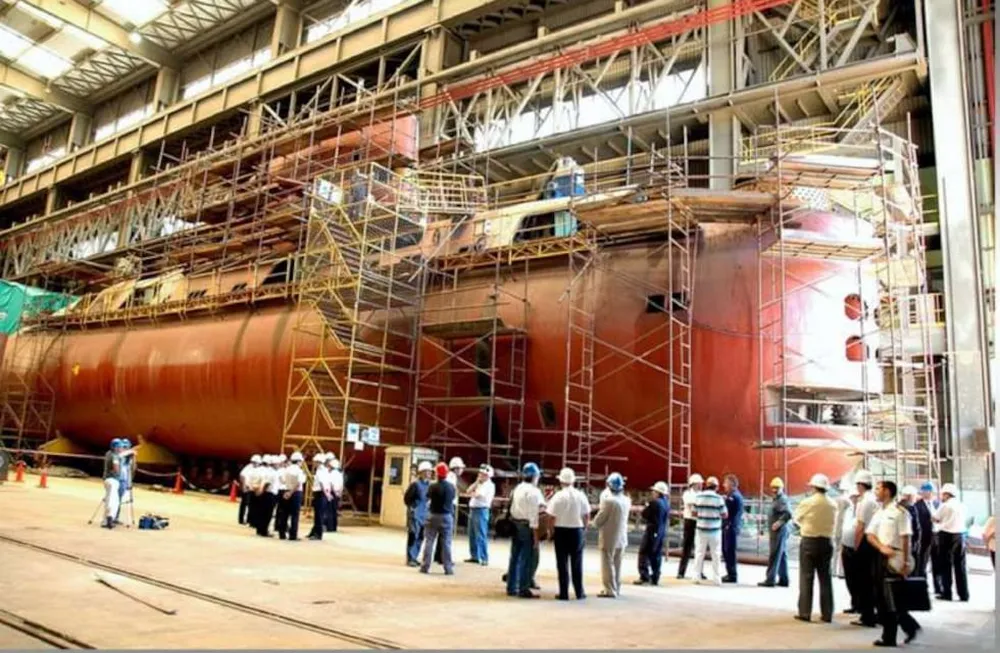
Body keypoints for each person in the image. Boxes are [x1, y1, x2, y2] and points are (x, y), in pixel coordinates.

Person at [867, 480, 921, 647]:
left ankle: (889, 637)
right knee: (882, 598)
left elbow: (906, 537)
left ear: (887, 491)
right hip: (881, 556)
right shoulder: (879, 512)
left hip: (896, 557)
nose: (875, 491)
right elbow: (870, 535)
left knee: (891, 598)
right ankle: (909, 626)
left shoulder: (900, 513)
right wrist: (881, 547)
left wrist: (905, 562)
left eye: (878, 488)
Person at [793, 473, 837, 623]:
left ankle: (805, 612)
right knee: (825, 579)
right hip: (827, 542)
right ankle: (827, 613)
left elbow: (796, 519)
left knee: (806, 577)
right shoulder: (833, 504)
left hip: (809, 541)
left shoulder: (808, 502)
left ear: (813, 487)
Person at [545, 467, 590, 600]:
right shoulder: (581, 495)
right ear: (573, 481)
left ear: (561, 481)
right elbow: (586, 515)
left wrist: (550, 532)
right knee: (577, 563)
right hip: (577, 531)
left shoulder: (558, 496)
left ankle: (564, 593)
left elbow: (551, 517)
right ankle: (579, 592)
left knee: (562, 563)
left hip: (561, 531)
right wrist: (584, 529)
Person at [506, 462, 545, 598]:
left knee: (515, 557)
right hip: (526, 526)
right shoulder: (534, 492)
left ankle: (511, 587)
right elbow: (534, 515)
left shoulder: (518, 488)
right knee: (527, 558)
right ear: (534, 476)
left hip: (515, 523)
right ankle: (523, 588)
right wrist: (536, 536)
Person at [594, 472, 631, 598]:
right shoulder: (627, 500)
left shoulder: (609, 501)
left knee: (607, 563)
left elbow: (600, 519)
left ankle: (609, 589)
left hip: (609, 537)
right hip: (622, 537)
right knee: (617, 563)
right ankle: (616, 587)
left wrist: (594, 523)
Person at [850, 470, 880, 628]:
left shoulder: (865, 502)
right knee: (871, 580)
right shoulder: (873, 500)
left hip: (865, 543)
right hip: (873, 542)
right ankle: (874, 613)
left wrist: (856, 546)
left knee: (863, 581)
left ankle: (867, 615)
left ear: (860, 485)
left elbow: (860, 527)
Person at [933, 483, 968, 601]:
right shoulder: (961, 505)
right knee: (960, 566)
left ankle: (947, 593)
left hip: (945, 536)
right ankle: (964, 594)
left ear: (947, 494)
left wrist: (939, 521)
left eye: (942, 494)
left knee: (945, 565)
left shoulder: (945, 506)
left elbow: (935, 518)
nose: (941, 497)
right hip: (960, 535)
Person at [420, 462, 456, 575]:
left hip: (433, 515)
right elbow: (453, 498)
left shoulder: (432, 486)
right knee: (446, 543)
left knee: (429, 541)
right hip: (447, 516)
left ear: (437, 474)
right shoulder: (451, 487)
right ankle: (448, 568)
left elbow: (427, 497)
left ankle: (425, 567)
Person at [692, 475, 728, 586]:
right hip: (715, 531)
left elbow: (694, 512)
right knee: (716, 555)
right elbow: (725, 514)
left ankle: (696, 577)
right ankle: (717, 579)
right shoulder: (719, 499)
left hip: (701, 530)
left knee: (699, 553)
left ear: (706, 485)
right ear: (716, 487)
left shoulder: (698, 497)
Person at [635, 481, 669, 586]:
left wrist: (647, 506)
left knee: (644, 553)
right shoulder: (666, 503)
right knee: (656, 555)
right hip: (661, 532)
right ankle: (655, 577)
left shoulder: (655, 503)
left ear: (658, 493)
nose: (652, 493)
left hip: (652, 531)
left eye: (654, 491)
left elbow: (645, 514)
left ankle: (644, 576)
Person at [759, 476, 792, 587]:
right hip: (777, 532)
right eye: (773, 487)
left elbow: (788, 513)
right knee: (781, 555)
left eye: (777, 488)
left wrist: (778, 523)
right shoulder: (776, 499)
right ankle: (784, 579)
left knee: (774, 555)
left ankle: (770, 579)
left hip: (779, 532)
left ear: (781, 488)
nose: (774, 490)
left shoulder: (782, 499)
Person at [465, 464, 495, 566]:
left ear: (488, 475)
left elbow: (478, 495)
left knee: (481, 535)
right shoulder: (480, 484)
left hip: (481, 511)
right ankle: (474, 556)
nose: (480, 475)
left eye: (483, 474)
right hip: (474, 510)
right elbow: (468, 490)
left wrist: (472, 494)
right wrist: (476, 482)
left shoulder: (489, 485)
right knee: (472, 534)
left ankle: (484, 557)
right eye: (480, 473)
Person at [838, 486, 861, 614]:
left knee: (858, 578)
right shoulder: (849, 510)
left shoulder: (864, 510)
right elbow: (844, 527)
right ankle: (854, 603)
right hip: (846, 545)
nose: (854, 499)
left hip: (857, 548)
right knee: (849, 578)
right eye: (852, 497)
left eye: (856, 497)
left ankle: (860, 604)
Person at [404, 461, 432, 565]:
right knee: (413, 535)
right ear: (421, 472)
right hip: (415, 514)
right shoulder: (415, 485)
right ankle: (410, 558)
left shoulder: (429, 485)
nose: (429, 473)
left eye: (430, 471)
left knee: (420, 536)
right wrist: (412, 508)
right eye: (427, 471)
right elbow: (407, 499)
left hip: (424, 514)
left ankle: (415, 557)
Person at [914, 482, 940, 593]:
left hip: (936, 536)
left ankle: (938, 587)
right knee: (923, 562)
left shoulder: (937, 504)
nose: (930, 493)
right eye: (926, 491)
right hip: (924, 537)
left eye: (931, 491)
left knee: (937, 562)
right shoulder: (917, 506)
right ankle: (923, 586)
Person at [677, 473, 704, 579]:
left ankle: (699, 572)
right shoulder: (687, 494)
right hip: (689, 522)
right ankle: (681, 572)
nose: (701, 485)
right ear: (694, 484)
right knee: (687, 548)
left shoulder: (702, 494)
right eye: (699, 483)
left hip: (699, 521)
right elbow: (691, 504)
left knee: (700, 548)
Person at [277, 452, 306, 541]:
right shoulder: (299, 470)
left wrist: (288, 491)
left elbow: (282, 480)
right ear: (298, 461)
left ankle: (282, 534)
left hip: (286, 491)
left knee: (284, 513)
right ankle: (293, 535)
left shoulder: (286, 469)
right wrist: (291, 492)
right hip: (296, 493)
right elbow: (299, 483)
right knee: (295, 515)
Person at [721, 474, 744, 583]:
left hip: (730, 527)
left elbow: (727, 512)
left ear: (731, 484)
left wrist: (724, 500)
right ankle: (731, 573)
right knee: (728, 550)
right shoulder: (735, 495)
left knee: (729, 551)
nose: (724, 485)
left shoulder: (733, 497)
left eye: (725, 483)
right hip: (731, 527)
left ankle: (732, 575)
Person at [308, 453, 331, 540]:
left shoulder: (321, 471)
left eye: (315, 461)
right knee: (318, 514)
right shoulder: (324, 470)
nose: (313, 463)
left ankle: (318, 534)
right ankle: (313, 532)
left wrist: (327, 495)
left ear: (319, 462)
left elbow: (322, 484)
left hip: (320, 494)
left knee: (319, 515)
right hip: (321, 493)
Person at [101, 439, 123, 529]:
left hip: (107, 480)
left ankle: (105, 521)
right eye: (120, 447)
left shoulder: (108, 453)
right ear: (115, 447)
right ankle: (110, 517)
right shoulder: (115, 456)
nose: (121, 448)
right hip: (113, 480)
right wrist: (119, 471)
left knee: (108, 499)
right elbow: (116, 468)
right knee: (114, 500)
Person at [898, 486, 922, 568]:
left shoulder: (897, 506)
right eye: (915, 496)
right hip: (910, 542)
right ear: (910, 496)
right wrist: (917, 542)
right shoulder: (911, 508)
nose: (916, 498)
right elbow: (916, 527)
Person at [255, 455, 279, 537]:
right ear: (274, 464)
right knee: (267, 514)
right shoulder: (273, 473)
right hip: (270, 494)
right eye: (278, 464)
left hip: (266, 494)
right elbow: (267, 483)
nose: (278, 465)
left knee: (262, 512)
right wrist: (262, 491)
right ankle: (264, 531)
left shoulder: (268, 471)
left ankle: (260, 530)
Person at [239, 455, 261, 526]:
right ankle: (242, 519)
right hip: (247, 488)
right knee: (245, 505)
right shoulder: (248, 467)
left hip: (253, 489)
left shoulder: (258, 469)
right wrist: (243, 486)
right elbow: (242, 476)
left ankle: (249, 520)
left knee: (251, 506)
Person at [326, 454, 343, 532]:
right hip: (338, 493)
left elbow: (331, 484)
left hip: (332, 493)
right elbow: (341, 485)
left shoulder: (332, 473)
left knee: (329, 511)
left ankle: (330, 527)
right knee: (334, 511)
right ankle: (334, 527)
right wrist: (339, 493)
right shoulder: (340, 474)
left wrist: (331, 493)